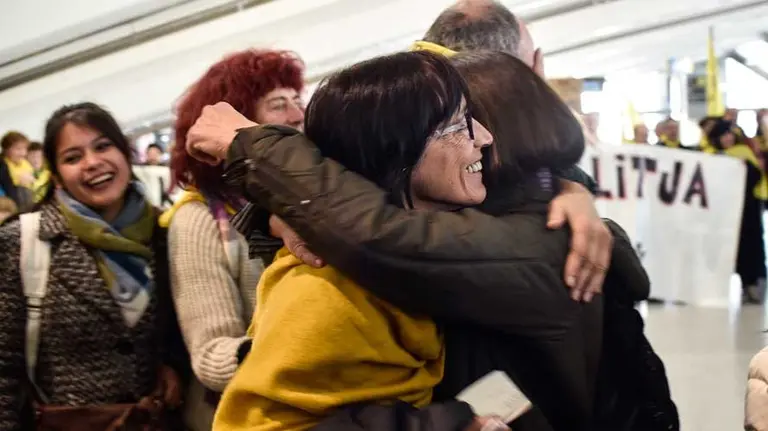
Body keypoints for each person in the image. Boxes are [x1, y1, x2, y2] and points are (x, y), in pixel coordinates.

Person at [202, 50, 653, 431]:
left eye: (473, 117)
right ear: (398, 145)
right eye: (458, 123)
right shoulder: (332, 285)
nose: (482, 137)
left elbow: (379, 235)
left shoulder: (524, 242)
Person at [0, 102, 187, 430]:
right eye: (73, 157)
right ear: (57, 176)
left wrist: (171, 363)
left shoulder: (163, 231)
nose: (93, 163)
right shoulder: (24, 241)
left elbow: (178, 328)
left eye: (103, 147)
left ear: (125, 153)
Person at [160, 49, 303, 430]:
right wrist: (316, 347)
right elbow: (213, 356)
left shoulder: (302, 193)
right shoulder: (200, 220)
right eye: (278, 104)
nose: (298, 114)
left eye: (297, 99)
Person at [708, 119, 767, 303]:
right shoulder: (712, 156)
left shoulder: (744, 153)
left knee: (752, 243)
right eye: (723, 135)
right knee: (736, 247)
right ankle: (743, 283)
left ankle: (754, 283)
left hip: (748, 209)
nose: (727, 138)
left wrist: (744, 167)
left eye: (729, 134)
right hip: (726, 210)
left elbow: (756, 177)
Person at [0, 131, 35, 211]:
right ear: (6, 150)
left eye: (25, 149)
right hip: (9, 205)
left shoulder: (25, 163)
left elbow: (33, 179)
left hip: (28, 201)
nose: (23, 153)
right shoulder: (3, 164)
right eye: (18, 149)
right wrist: (19, 180)